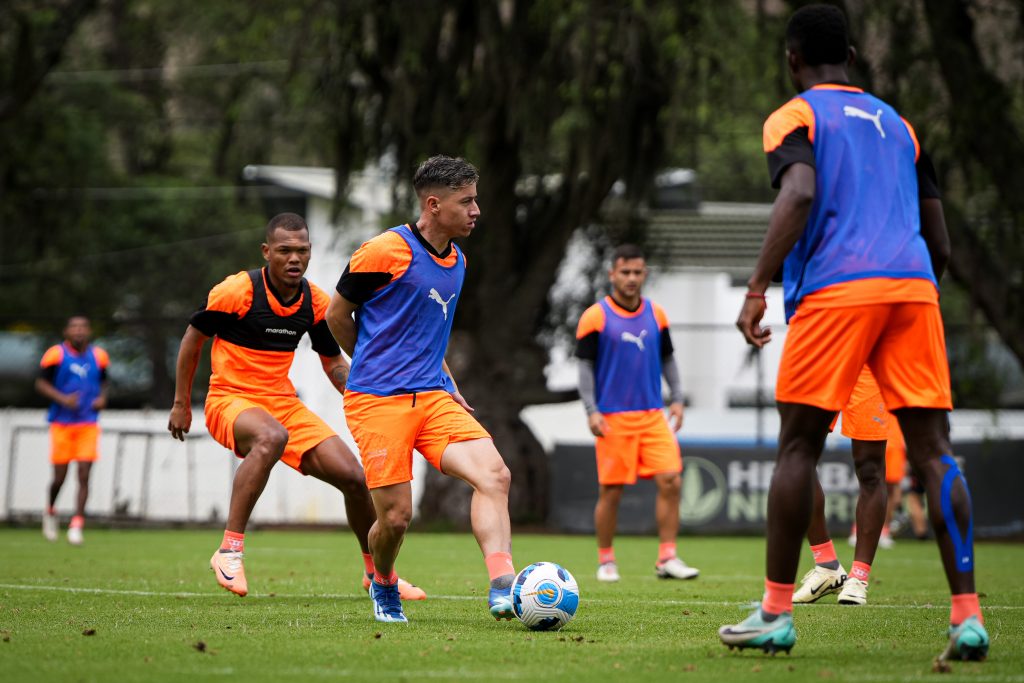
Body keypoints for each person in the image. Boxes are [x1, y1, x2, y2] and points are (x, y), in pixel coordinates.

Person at [719, 4, 988, 662]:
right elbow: (940, 236)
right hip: (914, 286)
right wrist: (916, 286)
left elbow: (801, 193)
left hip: (839, 288)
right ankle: (968, 618)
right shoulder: (901, 126)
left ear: (793, 59)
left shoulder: (796, 115)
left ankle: (776, 613)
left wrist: (758, 285)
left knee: (798, 448)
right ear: (855, 55)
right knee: (934, 452)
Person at [168, 212, 424, 602]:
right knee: (271, 436)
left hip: (283, 404)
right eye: (285, 250)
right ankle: (229, 550)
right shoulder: (236, 291)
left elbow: (333, 362)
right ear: (266, 252)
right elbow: (192, 340)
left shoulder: (315, 302)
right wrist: (181, 403)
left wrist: (367, 393)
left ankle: (376, 575)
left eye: (302, 251)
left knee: (355, 479)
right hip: (230, 399)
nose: (294, 258)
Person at [326, 155, 515, 624]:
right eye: (466, 201)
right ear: (433, 204)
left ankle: (503, 585)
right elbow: (336, 316)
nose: (476, 210)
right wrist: (372, 363)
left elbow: (430, 332)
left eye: (476, 199)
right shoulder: (382, 252)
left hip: (433, 397)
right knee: (394, 519)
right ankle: (384, 582)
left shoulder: (458, 260)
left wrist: (447, 381)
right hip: (377, 402)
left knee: (495, 476)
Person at [574, 244, 699, 583]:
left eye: (637, 272)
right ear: (613, 274)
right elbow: (584, 368)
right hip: (612, 418)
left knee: (672, 479)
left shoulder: (657, 314)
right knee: (612, 491)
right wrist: (591, 410)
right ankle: (606, 560)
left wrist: (678, 397)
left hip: (652, 415)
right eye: (625, 272)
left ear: (645, 274)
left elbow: (668, 358)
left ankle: (667, 557)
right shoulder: (595, 317)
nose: (631, 278)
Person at [794, 367, 892, 607]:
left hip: (869, 364)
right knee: (796, 459)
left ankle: (858, 578)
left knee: (870, 469)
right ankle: (827, 566)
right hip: (824, 360)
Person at [37, 316, 109, 545]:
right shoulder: (56, 354)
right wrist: (62, 399)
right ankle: (50, 511)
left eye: (83, 327)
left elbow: (105, 382)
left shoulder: (99, 356)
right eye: (74, 327)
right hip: (62, 423)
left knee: (84, 473)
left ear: (89, 331)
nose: (79, 331)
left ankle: (77, 523)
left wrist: (102, 398)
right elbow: (41, 383)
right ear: (66, 331)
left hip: (88, 422)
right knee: (60, 477)